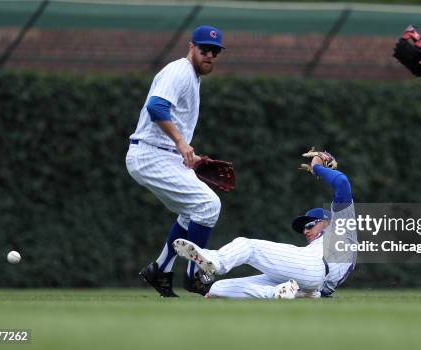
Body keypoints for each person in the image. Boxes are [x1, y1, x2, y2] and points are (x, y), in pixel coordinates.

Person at [125, 25, 225, 297]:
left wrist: (186, 153)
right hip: (149, 153)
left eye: (215, 51)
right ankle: (194, 275)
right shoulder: (179, 70)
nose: (209, 55)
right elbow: (156, 106)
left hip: (161, 153)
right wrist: (181, 144)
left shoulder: (192, 76)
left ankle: (160, 269)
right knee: (208, 204)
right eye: (204, 49)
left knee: (193, 211)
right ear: (191, 46)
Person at [173, 152, 357, 299]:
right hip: (311, 282)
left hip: (312, 267)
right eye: (303, 229)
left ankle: (216, 262)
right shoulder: (334, 250)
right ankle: (277, 293)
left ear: (328, 221)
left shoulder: (341, 228)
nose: (305, 230)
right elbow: (322, 292)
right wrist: (308, 293)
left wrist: (317, 166)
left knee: (248, 246)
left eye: (310, 225)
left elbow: (342, 182)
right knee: (218, 288)